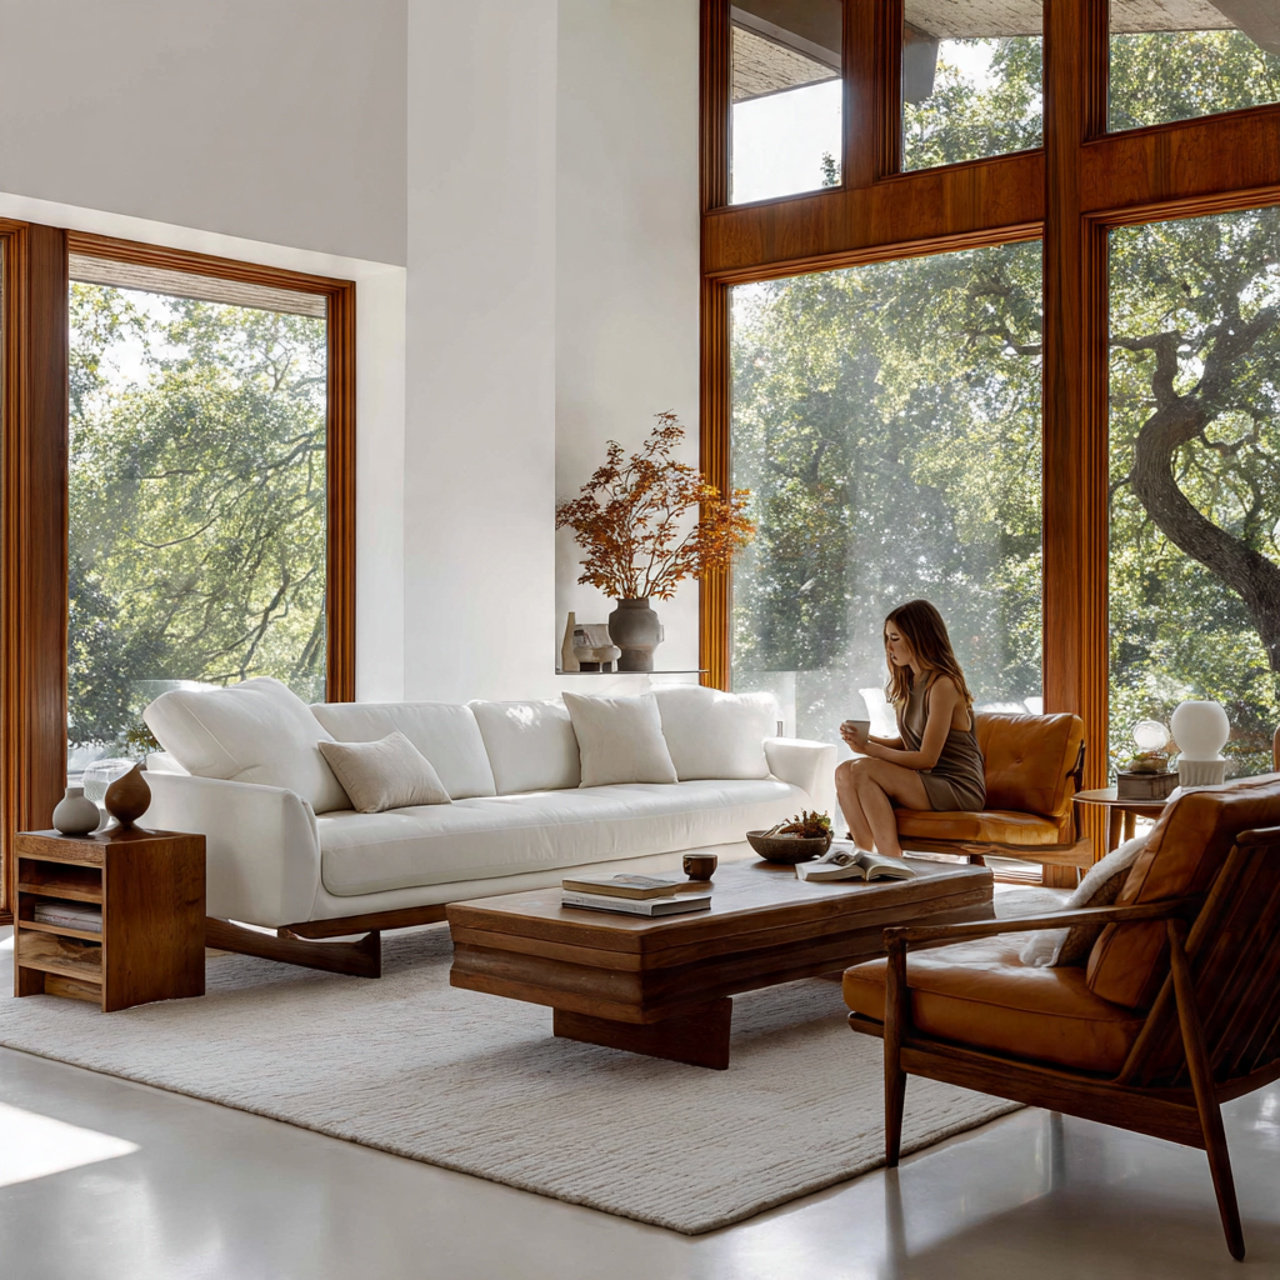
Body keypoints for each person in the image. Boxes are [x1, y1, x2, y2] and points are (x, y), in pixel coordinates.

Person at [835, 599, 985, 858]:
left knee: (863, 770)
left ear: (918, 638)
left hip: (956, 785)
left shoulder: (943, 684)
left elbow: (927, 758)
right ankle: (861, 855)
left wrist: (870, 750)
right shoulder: (910, 682)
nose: (888, 646)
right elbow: (908, 745)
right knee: (844, 771)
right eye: (887, 638)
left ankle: (890, 860)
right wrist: (863, 740)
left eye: (895, 638)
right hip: (926, 779)